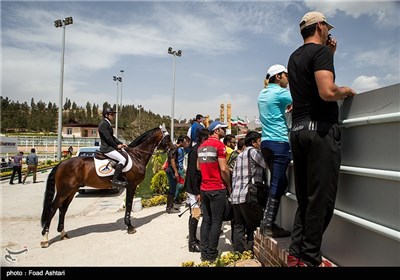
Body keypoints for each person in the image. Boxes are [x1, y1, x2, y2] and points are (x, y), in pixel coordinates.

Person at [287, 11, 356, 267]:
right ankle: (309, 259)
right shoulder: (321, 53)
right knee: (323, 201)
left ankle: (295, 254)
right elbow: (327, 91)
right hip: (320, 134)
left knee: (305, 198)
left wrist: (331, 56)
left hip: (299, 132)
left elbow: (308, 84)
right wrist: (347, 91)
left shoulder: (294, 57)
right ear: (320, 26)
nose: (329, 32)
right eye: (327, 27)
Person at [258, 64, 293, 238]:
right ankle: (268, 225)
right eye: (286, 75)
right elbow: (302, 99)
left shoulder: (263, 93)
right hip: (279, 143)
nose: (288, 78)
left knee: (281, 183)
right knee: (277, 183)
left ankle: (268, 222)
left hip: (266, 144)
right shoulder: (280, 93)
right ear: (278, 77)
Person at [197, 121, 231, 262]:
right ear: (216, 131)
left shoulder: (201, 146)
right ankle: (211, 253)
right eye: (223, 129)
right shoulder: (219, 145)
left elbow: (199, 168)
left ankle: (204, 252)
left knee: (206, 221)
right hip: (217, 188)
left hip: (204, 188)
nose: (224, 131)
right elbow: (224, 169)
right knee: (217, 222)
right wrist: (229, 185)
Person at [230, 131, 265, 253]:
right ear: (253, 142)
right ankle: (251, 252)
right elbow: (265, 164)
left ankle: (238, 253)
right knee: (254, 225)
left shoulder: (239, 155)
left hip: (236, 196)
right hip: (248, 195)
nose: (261, 144)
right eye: (259, 141)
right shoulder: (253, 152)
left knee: (239, 226)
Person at [184, 128, 209, 252]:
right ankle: (192, 243)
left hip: (194, 186)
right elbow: (194, 174)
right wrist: (197, 192)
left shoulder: (198, 149)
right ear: (204, 138)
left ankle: (193, 239)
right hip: (193, 188)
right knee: (195, 213)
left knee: (196, 213)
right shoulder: (196, 151)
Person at [98, 107, 127, 188]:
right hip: (106, 148)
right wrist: (116, 146)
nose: (113, 116)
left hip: (109, 147)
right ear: (106, 115)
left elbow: (112, 137)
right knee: (122, 159)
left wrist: (121, 143)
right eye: (111, 114)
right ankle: (115, 180)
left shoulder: (107, 124)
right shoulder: (103, 124)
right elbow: (108, 138)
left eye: (113, 114)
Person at [165, 136, 186, 213]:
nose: (184, 143)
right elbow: (173, 160)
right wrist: (176, 172)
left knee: (172, 188)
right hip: (171, 170)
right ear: (180, 142)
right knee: (172, 188)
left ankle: (170, 206)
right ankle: (170, 208)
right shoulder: (175, 149)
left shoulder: (173, 148)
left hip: (170, 170)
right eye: (184, 142)